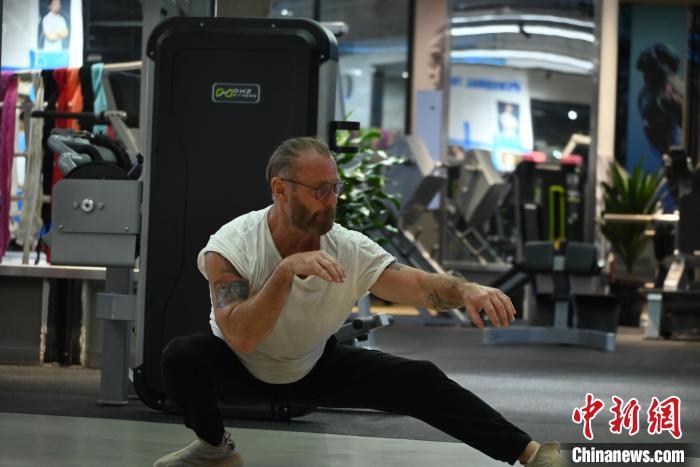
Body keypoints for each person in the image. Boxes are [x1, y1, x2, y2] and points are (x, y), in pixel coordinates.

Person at [153, 137, 568, 467]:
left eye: (335, 188)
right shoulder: (232, 246)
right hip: (238, 367)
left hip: (312, 366)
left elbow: (415, 285)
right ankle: (214, 449)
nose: (331, 199)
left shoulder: (348, 247)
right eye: (319, 190)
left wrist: (465, 290)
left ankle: (529, 453)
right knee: (182, 356)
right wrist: (285, 272)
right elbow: (241, 337)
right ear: (280, 189)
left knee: (419, 378)